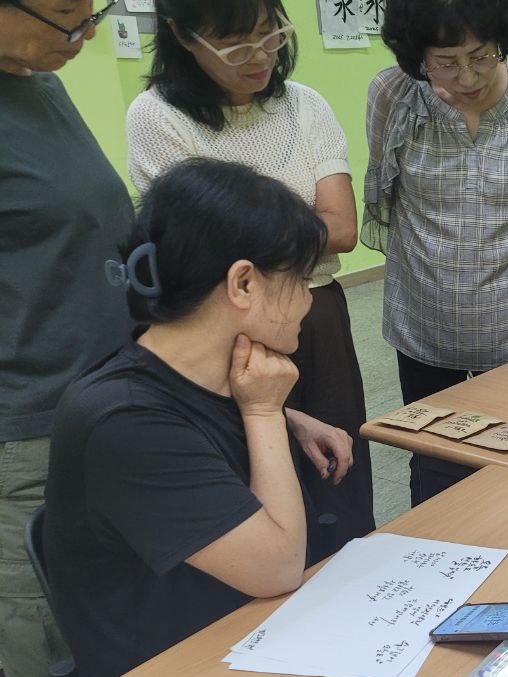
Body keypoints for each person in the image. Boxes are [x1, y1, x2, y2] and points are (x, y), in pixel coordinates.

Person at [43, 159, 323, 677]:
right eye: (302, 280)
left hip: (250, 636)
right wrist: (264, 413)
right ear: (243, 282)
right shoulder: (123, 423)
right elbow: (278, 568)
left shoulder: (191, 373)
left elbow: (194, 418)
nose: (309, 301)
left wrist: (289, 417)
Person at [126, 0, 371, 548]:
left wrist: (251, 237)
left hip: (317, 314)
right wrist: (300, 229)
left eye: (271, 34)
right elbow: (203, 250)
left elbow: (342, 228)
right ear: (183, 37)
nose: (261, 56)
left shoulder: (305, 106)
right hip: (227, 328)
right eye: (236, 45)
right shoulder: (157, 116)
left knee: (341, 470)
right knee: (251, 475)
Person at [367, 0, 508, 503]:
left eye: (481, 56)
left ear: (502, 40)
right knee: (433, 453)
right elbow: (384, 194)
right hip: (424, 313)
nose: (466, 76)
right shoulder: (393, 95)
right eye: (445, 61)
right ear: (417, 54)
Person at [0, 2, 134, 677]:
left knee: (118, 615)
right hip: (27, 425)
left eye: (93, 13)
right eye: (65, 17)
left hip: (108, 400)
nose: (86, 35)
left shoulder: (40, 81)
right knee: (47, 646)